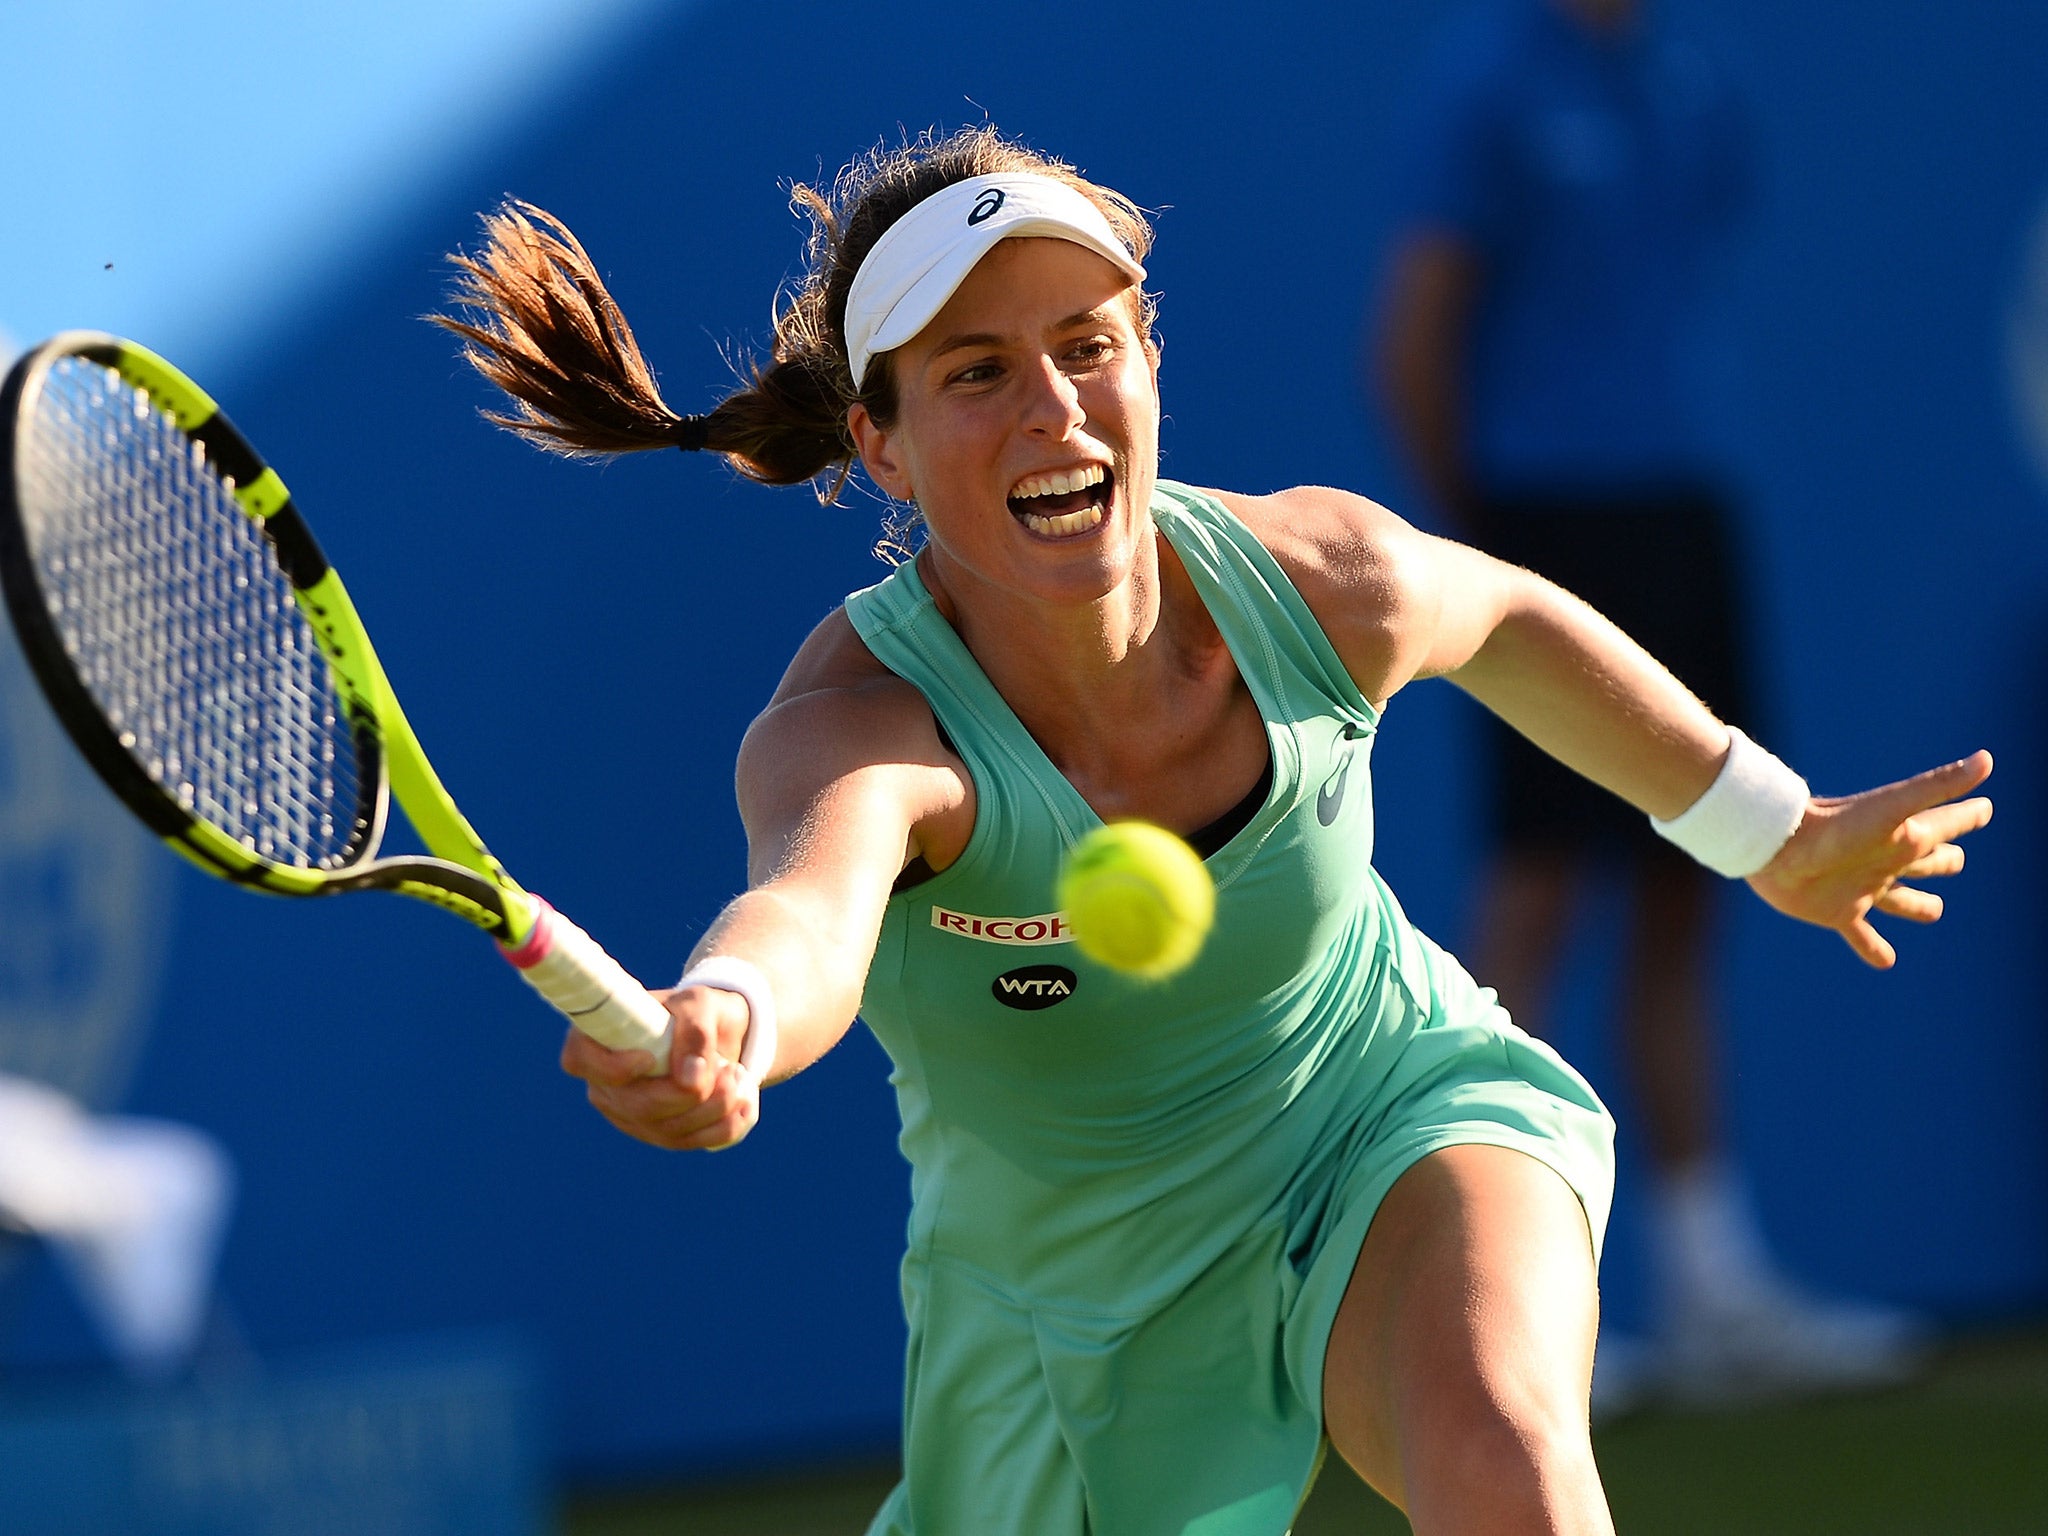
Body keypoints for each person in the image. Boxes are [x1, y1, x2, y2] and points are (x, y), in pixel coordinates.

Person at [437, 127, 1991, 1535]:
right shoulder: (858, 722)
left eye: (1085, 345)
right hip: (1059, 1304)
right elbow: (807, 901)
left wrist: (1768, 829)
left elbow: (1506, 618)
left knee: (1508, 1459)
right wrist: (731, 1015)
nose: (1053, 405)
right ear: (882, 448)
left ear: (1148, 365)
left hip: (1378, 1113)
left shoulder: (1324, 582)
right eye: (975, 372)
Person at [1373, 0, 1923, 1404]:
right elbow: (1417, 338)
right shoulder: (1487, 78)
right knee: (1540, 898)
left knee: (1706, 877)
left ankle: (1712, 1286)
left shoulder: (1692, 74)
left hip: (1686, 512)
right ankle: (1503, 1292)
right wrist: (1487, 553)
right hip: (1550, 525)